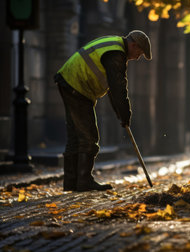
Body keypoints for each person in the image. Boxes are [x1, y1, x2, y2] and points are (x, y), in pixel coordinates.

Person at [54, 30, 152, 192]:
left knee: (76, 137)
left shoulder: (114, 46)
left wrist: (121, 115)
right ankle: (84, 181)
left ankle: (72, 182)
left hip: (70, 82)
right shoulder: (116, 54)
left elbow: (113, 90)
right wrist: (125, 113)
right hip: (77, 86)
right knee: (88, 135)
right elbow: (118, 87)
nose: (137, 57)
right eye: (139, 53)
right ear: (134, 45)